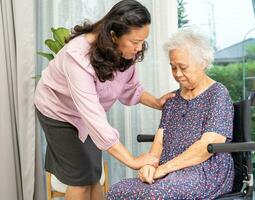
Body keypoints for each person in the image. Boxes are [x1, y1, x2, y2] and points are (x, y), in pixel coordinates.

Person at [34, 1, 174, 199]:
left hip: (87, 114)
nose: (140, 48)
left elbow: (130, 87)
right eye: (135, 42)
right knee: (80, 179)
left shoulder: (124, 51)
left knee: (93, 175)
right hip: (58, 111)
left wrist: (157, 102)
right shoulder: (77, 56)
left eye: (143, 41)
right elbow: (95, 119)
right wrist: (133, 161)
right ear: (113, 35)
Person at [106, 29, 235, 199]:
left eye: (183, 67)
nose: (178, 74)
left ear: (202, 63)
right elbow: (159, 143)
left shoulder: (217, 94)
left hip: (205, 171)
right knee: (117, 190)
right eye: (173, 67)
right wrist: (150, 165)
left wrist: (163, 169)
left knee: (156, 193)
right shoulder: (173, 100)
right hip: (169, 172)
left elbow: (207, 146)